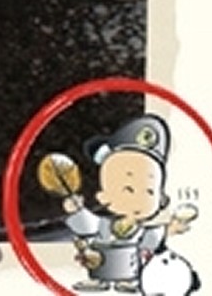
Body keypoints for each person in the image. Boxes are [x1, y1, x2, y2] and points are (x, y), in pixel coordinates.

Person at [63, 114, 191, 293]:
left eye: (149, 191)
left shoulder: (139, 230)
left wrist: (169, 229)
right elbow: (87, 225)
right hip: (101, 265)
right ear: (103, 196)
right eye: (128, 189)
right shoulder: (103, 224)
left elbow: (151, 236)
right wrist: (76, 210)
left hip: (130, 270)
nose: (138, 199)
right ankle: (100, 281)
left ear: (161, 199)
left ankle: (128, 282)